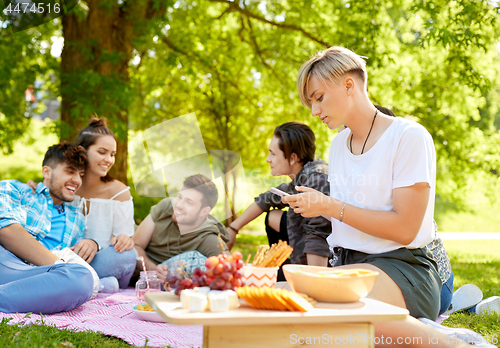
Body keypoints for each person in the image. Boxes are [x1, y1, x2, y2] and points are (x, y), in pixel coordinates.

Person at [285, 46, 494, 347]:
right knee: (292, 309)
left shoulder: (409, 136)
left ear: (348, 85)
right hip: (349, 265)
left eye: (318, 98)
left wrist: (330, 205)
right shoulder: (340, 144)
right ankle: (419, 331)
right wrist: (317, 206)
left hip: (403, 267)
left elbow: (404, 228)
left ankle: (454, 344)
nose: (314, 112)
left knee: (333, 321)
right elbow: (351, 215)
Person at [28, 118, 137, 291]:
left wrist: (124, 240)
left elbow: (124, 240)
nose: (109, 159)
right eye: (102, 152)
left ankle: (77, 282)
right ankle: (96, 285)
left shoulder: (119, 192)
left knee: (127, 255)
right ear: (83, 151)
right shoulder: (66, 186)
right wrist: (33, 188)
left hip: (100, 260)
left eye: (113, 154)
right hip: (64, 258)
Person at [0, 142, 94, 314]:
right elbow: (5, 230)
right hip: (6, 260)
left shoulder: (77, 218)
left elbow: (74, 259)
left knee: (82, 279)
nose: (77, 180)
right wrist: (59, 265)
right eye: (70, 171)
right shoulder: (16, 189)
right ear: (47, 172)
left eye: (81, 174)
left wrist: (92, 243)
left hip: (38, 275)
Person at [227, 122, 331, 270]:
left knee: (253, 275)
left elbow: (318, 236)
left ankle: (283, 272)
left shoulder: (317, 180)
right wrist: (233, 229)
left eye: (273, 154)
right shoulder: (304, 175)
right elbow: (267, 198)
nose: (268, 159)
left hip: (320, 265)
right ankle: (279, 265)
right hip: (301, 251)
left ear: (293, 157)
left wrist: (312, 282)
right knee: (272, 216)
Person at [133, 174, 229, 282]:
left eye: (189, 202)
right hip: (128, 258)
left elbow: (229, 271)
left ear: (204, 211)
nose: (178, 205)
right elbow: (136, 245)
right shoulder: (166, 207)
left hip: (151, 283)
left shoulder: (209, 238)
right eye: (179, 197)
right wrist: (154, 269)